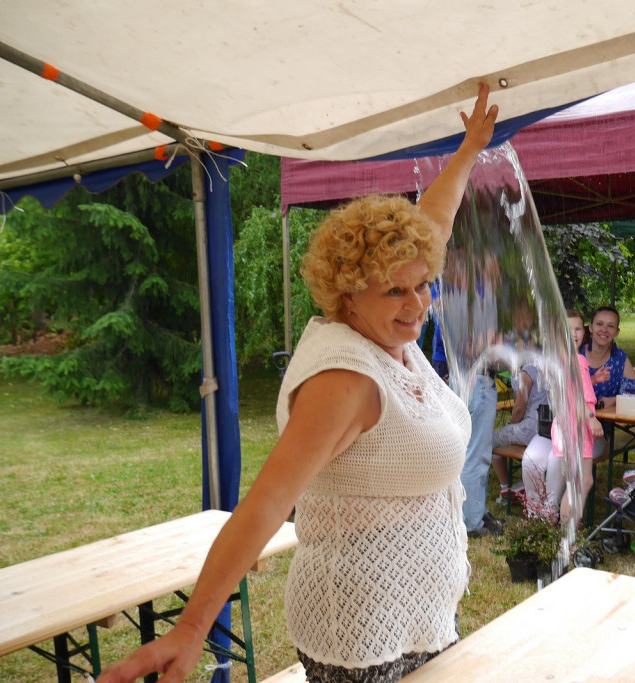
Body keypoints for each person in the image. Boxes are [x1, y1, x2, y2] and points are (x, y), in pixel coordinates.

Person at [97, 84, 499, 683]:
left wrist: (468, 151)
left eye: (424, 284)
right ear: (347, 291)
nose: (418, 304)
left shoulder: (387, 332)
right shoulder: (345, 378)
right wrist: (190, 628)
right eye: (395, 289)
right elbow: (265, 506)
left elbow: (433, 225)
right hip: (363, 635)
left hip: (416, 615)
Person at [521, 310, 604, 524]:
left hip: (563, 427)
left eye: (577, 329)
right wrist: (591, 418)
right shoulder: (577, 360)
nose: (573, 334)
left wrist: (592, 382)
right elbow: (578, 397)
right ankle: (568, 536)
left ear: (584, 332)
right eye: (567, 330)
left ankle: (560, 528)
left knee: (578, 483)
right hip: (577, 428)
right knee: (580, 484)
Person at [491, 363, 546, 502]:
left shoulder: (526, 371)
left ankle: (505, 488)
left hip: (530, 427)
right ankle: (526, 482)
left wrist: (511, 424)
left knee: (491, 440)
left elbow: (519, 409)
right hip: (546, 426)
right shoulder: (541, 364)